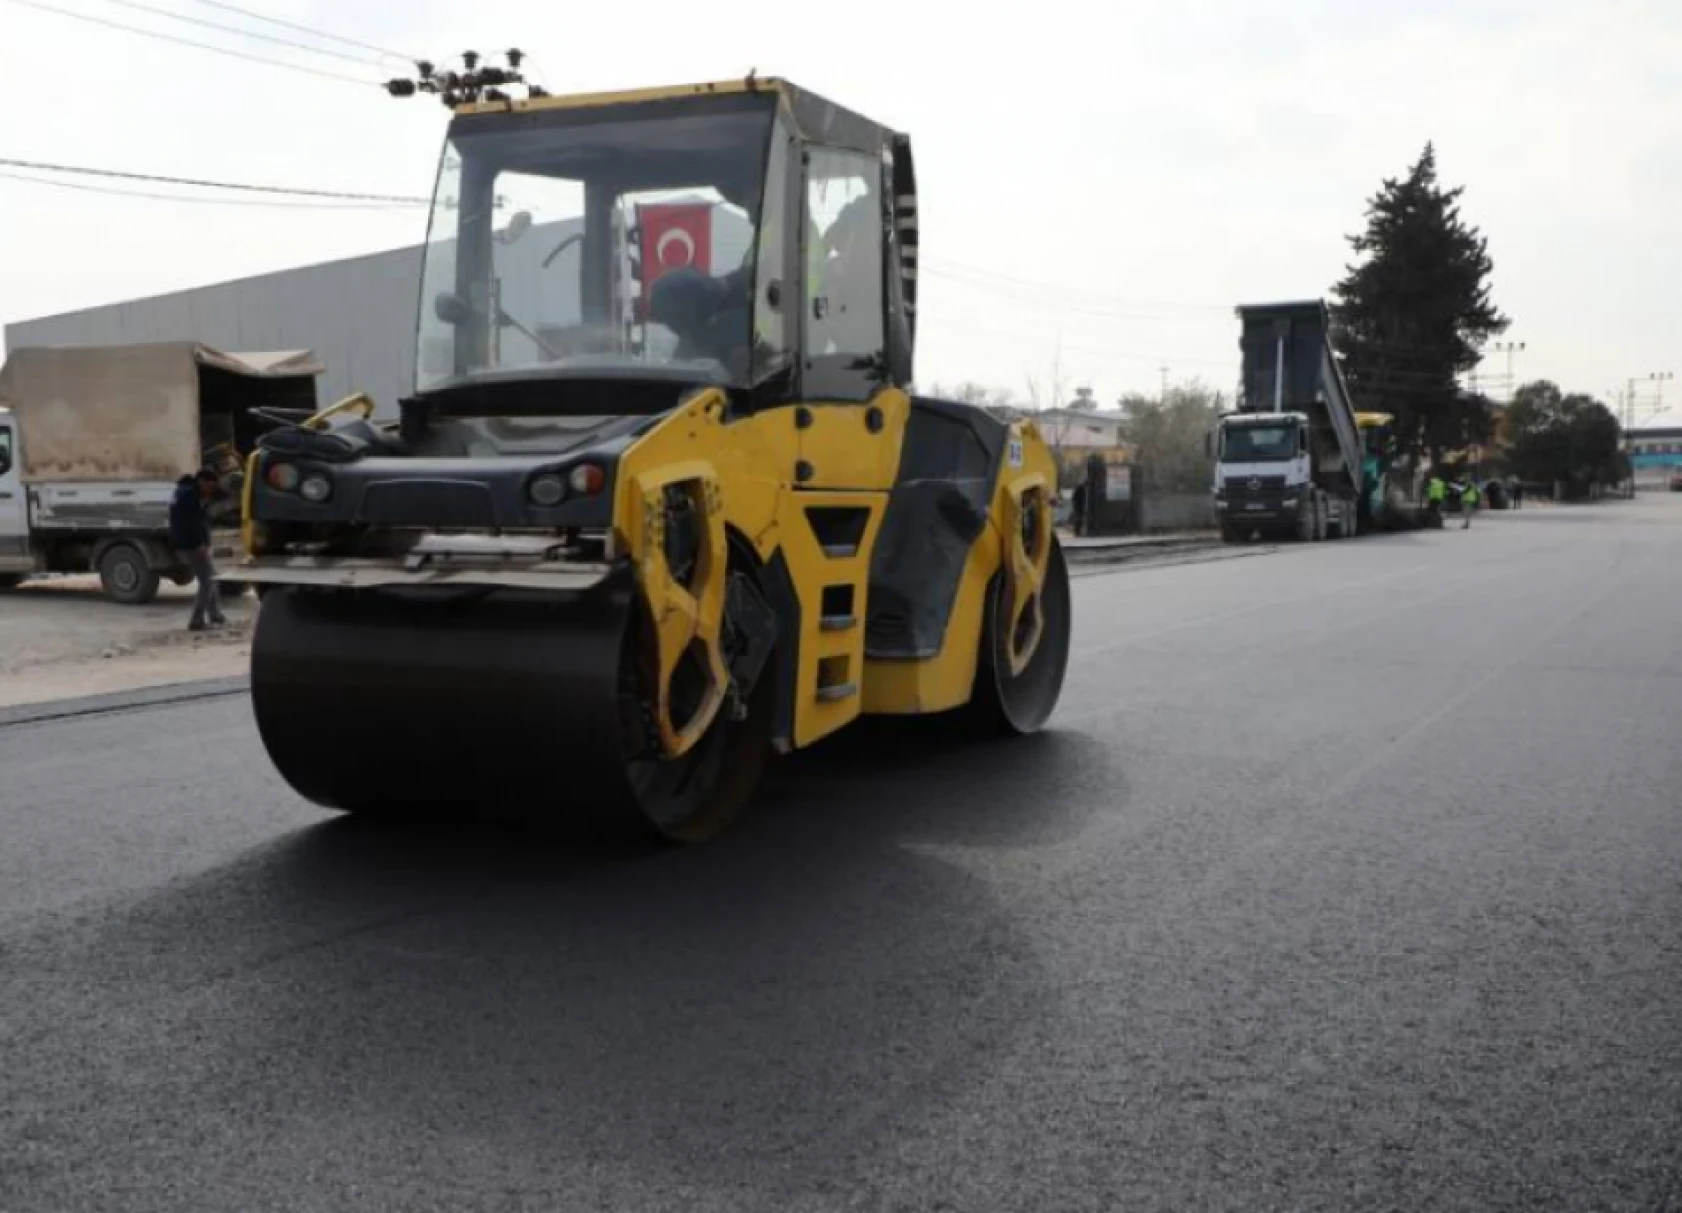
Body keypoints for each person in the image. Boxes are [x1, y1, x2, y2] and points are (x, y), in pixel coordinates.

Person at [169, 467, 225, 632]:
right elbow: (187, 523)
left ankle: (215, 615)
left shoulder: (185, 492)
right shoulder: (189, 495)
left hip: (189, 543)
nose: (210, 489)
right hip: (192, 545)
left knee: (210, 578)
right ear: (201, 481)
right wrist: (198, 543)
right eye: (210, 485)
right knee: (207, 581)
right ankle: (197, 621)